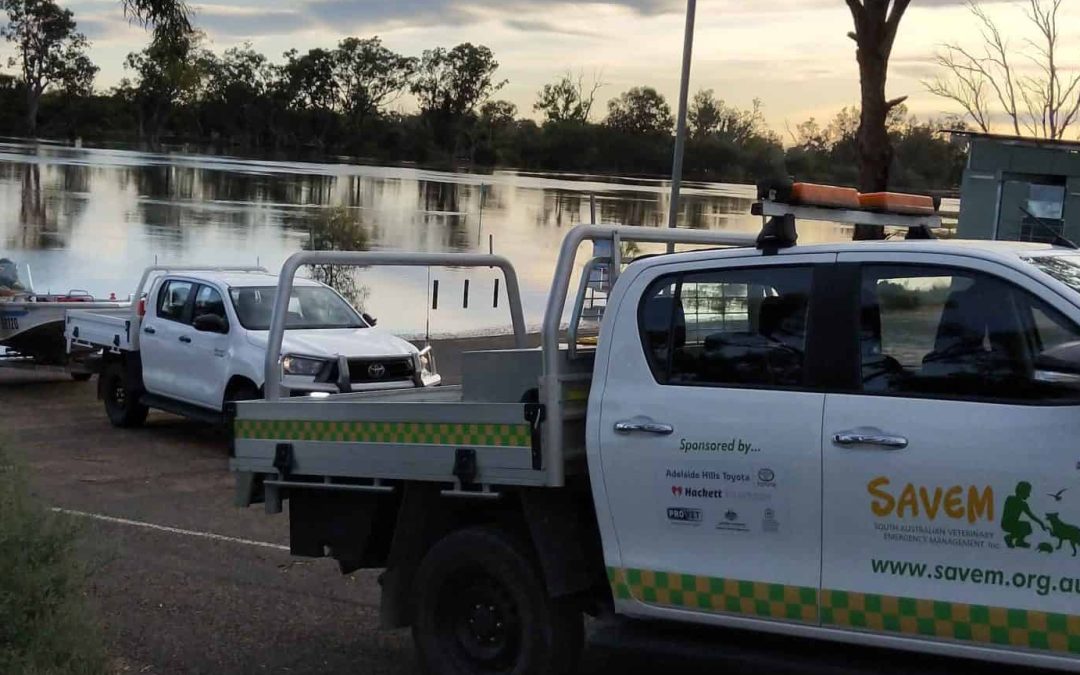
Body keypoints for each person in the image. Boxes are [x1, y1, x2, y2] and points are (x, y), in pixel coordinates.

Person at [1001, 481, 1047, 549]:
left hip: (1012, 523)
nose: (1029, 495)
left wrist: (1041, 523)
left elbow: (1031, 516)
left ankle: (1018, 541)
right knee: (1025, 526)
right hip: (1007, 523)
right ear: (1023, 492)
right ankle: (1010, 538)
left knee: (1027, 526)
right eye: (1028, 492)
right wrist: (1041, 523)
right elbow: (1030, 515)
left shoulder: (1022, 504)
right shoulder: (1011, 499)